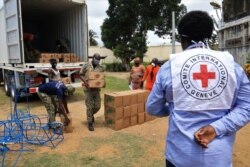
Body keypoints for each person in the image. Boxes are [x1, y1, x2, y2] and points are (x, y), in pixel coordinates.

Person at [146, 10, 250, 167]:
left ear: (182, 38)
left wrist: (174, 107)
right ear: (208, 35)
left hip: (179, 158)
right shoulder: (232, 67)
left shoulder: (169, 68)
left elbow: (152, 108)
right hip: (219, 159)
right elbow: (247, 107)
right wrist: (216, 128)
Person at [79, 53, 104, 131]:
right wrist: (85, 82)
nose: (97, 61)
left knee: (97, 106)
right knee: (89, 106)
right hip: (88, 89)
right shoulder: (86, 65)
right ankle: (90, 123)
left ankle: (91, 114)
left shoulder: (101, 67)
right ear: (93, 58)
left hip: (96, 89)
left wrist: (103, 83)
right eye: (96, 60)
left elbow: (101, 77)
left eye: (99, 60)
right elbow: (80, 74)